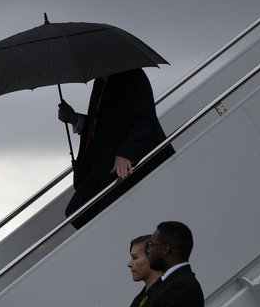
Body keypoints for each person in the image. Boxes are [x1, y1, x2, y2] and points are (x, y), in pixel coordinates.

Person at [57, 69, 174, 228]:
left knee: (109, 213)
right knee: (76, 212)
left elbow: (146, 120)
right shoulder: (101, 81)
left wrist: (126, 154)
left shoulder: (131, 75)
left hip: (129, 165)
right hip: (103, 165)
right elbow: (100, 127)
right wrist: (74, 118)